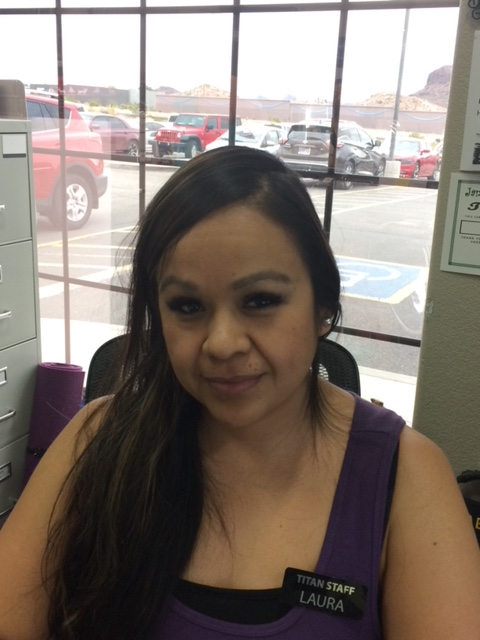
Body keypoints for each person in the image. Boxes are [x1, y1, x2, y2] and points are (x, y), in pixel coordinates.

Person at [0, 146, 479, 640]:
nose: (223, 343)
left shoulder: (405, 475)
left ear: (323, 306)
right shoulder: (100, 441)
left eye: (260, 300)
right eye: (187, 306)